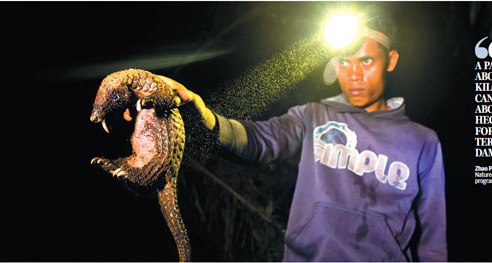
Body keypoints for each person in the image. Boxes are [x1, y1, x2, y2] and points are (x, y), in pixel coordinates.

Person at [161, 19, 447, 262]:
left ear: (391, 61)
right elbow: (258, 140)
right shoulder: (314, 115)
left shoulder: (422, 141)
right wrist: (204, 119)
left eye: (366, 61)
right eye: (344, 62)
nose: (354, 74)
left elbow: (433, 240)